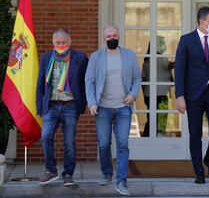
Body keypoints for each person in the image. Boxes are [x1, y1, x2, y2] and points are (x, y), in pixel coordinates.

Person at [175, 6, 209, 184]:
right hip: (193, 95)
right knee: (195, 133)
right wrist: (180, 96)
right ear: (202, 21)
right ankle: (199, 172)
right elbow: (180, 69)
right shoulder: (186, 40)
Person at [85, 25, 141, 196]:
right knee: (103, 144)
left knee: (123, 144)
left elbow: (137, 78)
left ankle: (121, 180)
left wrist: (133, 94)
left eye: (114, 35)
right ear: (104, 38)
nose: (112, 38)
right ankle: (107, 173)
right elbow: (89, 81)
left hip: (123, 107)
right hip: (103, 108)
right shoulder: (96, 57)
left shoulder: (129, 55)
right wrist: (92, 102)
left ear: (119, 36)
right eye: (109, 36)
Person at [36, 29, 88, 186]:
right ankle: (51, 170)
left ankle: (68, 174)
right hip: (51, 106)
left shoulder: (80, 57)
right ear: (53, 43)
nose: (61, 45)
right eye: (58, 43)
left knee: (69, 142)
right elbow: (40, 84)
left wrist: (83, 104)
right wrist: (40, 107)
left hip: (70, 106)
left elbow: (86, 82)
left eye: (64, 42)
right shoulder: (46, 58)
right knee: (46, 137)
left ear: (70, 42)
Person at [142, 36, 174, 137]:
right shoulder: (160, 58)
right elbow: (169, 66)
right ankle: (158, 137)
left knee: (151, 118)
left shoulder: (147, 60)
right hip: (160, 94)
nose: (164, 45)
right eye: (162, 42)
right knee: (160, 118)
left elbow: (143, 78)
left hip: (149, 94)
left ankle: (147, 138)